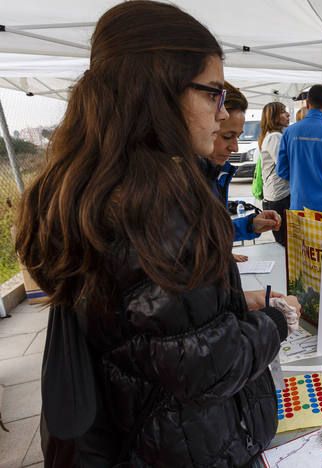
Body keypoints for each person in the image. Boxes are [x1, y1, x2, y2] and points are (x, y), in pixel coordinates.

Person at [15, 2, 290, 465]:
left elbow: (151, 328)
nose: (222, 115)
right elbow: (207, 366)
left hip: (137, 427)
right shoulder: (155, 205)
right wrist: (276, 321)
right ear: (160, 91)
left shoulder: (88, 185)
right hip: (180, 441)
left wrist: (229, 303)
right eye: (213, 94)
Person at [207, 82, 282, 252]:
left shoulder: (214, 174)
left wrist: (250, 225)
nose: (235, 147)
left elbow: (210, 235)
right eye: (227, 136)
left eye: (237, 137)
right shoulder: (175, 183)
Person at [277, 84, 322, 213]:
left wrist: (299, 177)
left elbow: (282, 170)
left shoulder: (289, 132)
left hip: (299, 207)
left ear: (307, 103)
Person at [259, 102, 291, 246]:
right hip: (280, 195)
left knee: (283, 239)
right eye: (283, 112)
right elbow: (284, 166)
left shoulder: (272, 135)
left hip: (276, 194)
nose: (288, 114)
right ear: (274, 117)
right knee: (285, 241)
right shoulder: (274, 137)